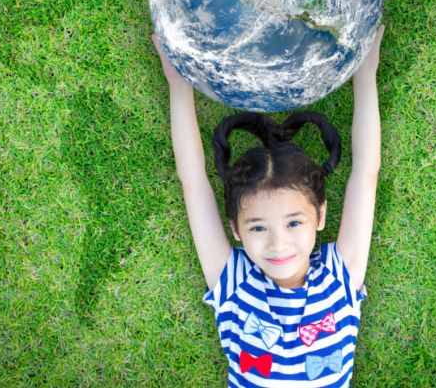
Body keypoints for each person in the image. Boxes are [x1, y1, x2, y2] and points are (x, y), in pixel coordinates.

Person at [152, 25, 384, 387]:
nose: (278, 244)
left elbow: (366, 175)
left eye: (294, 223)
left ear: (320, 215)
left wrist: (365, 75)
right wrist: (179, 86)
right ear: (235, 230)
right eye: (258, 227)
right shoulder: (233, 282)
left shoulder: (341, 276)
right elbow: (193, 184)